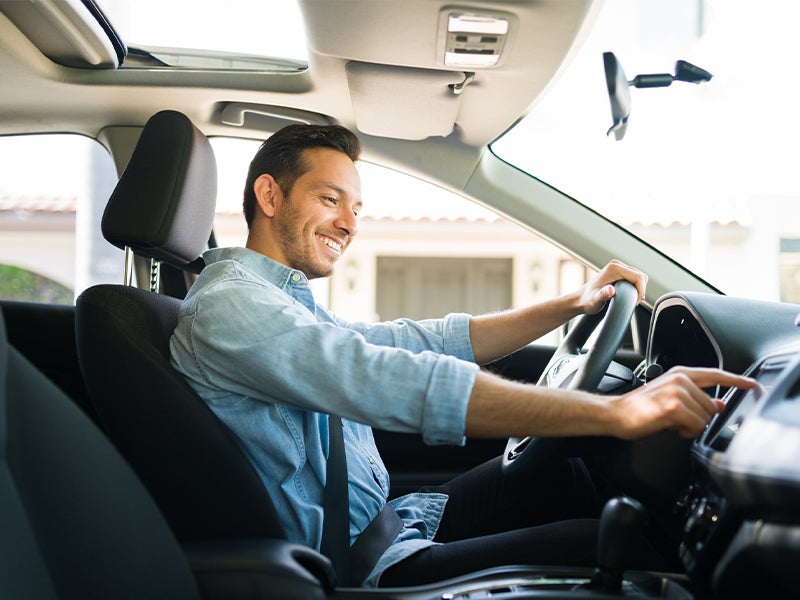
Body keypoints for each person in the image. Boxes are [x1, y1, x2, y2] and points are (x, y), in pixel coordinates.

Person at [169, 124, 755, 588]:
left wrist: (572, 304)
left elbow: (413, 342)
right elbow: (385, 378)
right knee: (613, 549)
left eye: (357, 209)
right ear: (269, 195)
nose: (348, 224)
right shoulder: (231, 306)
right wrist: (617, 412)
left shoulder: (281, 302)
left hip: (389, 524)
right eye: (330, 199)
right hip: (358, 566)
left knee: (563, 475)